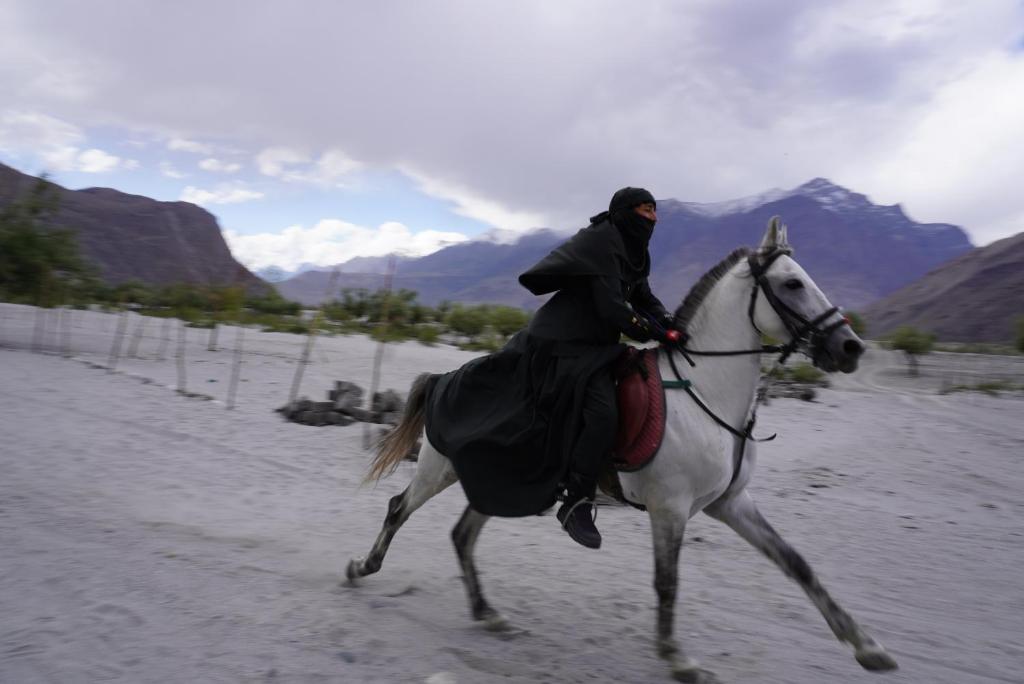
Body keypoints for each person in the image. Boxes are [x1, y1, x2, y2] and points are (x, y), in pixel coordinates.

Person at [424, 187, 677, 550]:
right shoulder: (601, 243)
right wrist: (655, 332)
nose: (652, 218)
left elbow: (642, 296)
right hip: (563, 343)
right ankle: (576, 502)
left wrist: (671, 322)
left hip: (596, 344)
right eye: (645, 210)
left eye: (655, 211)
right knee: (602, 414)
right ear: (624, 212)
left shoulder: (634, 250)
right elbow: (613, 309)